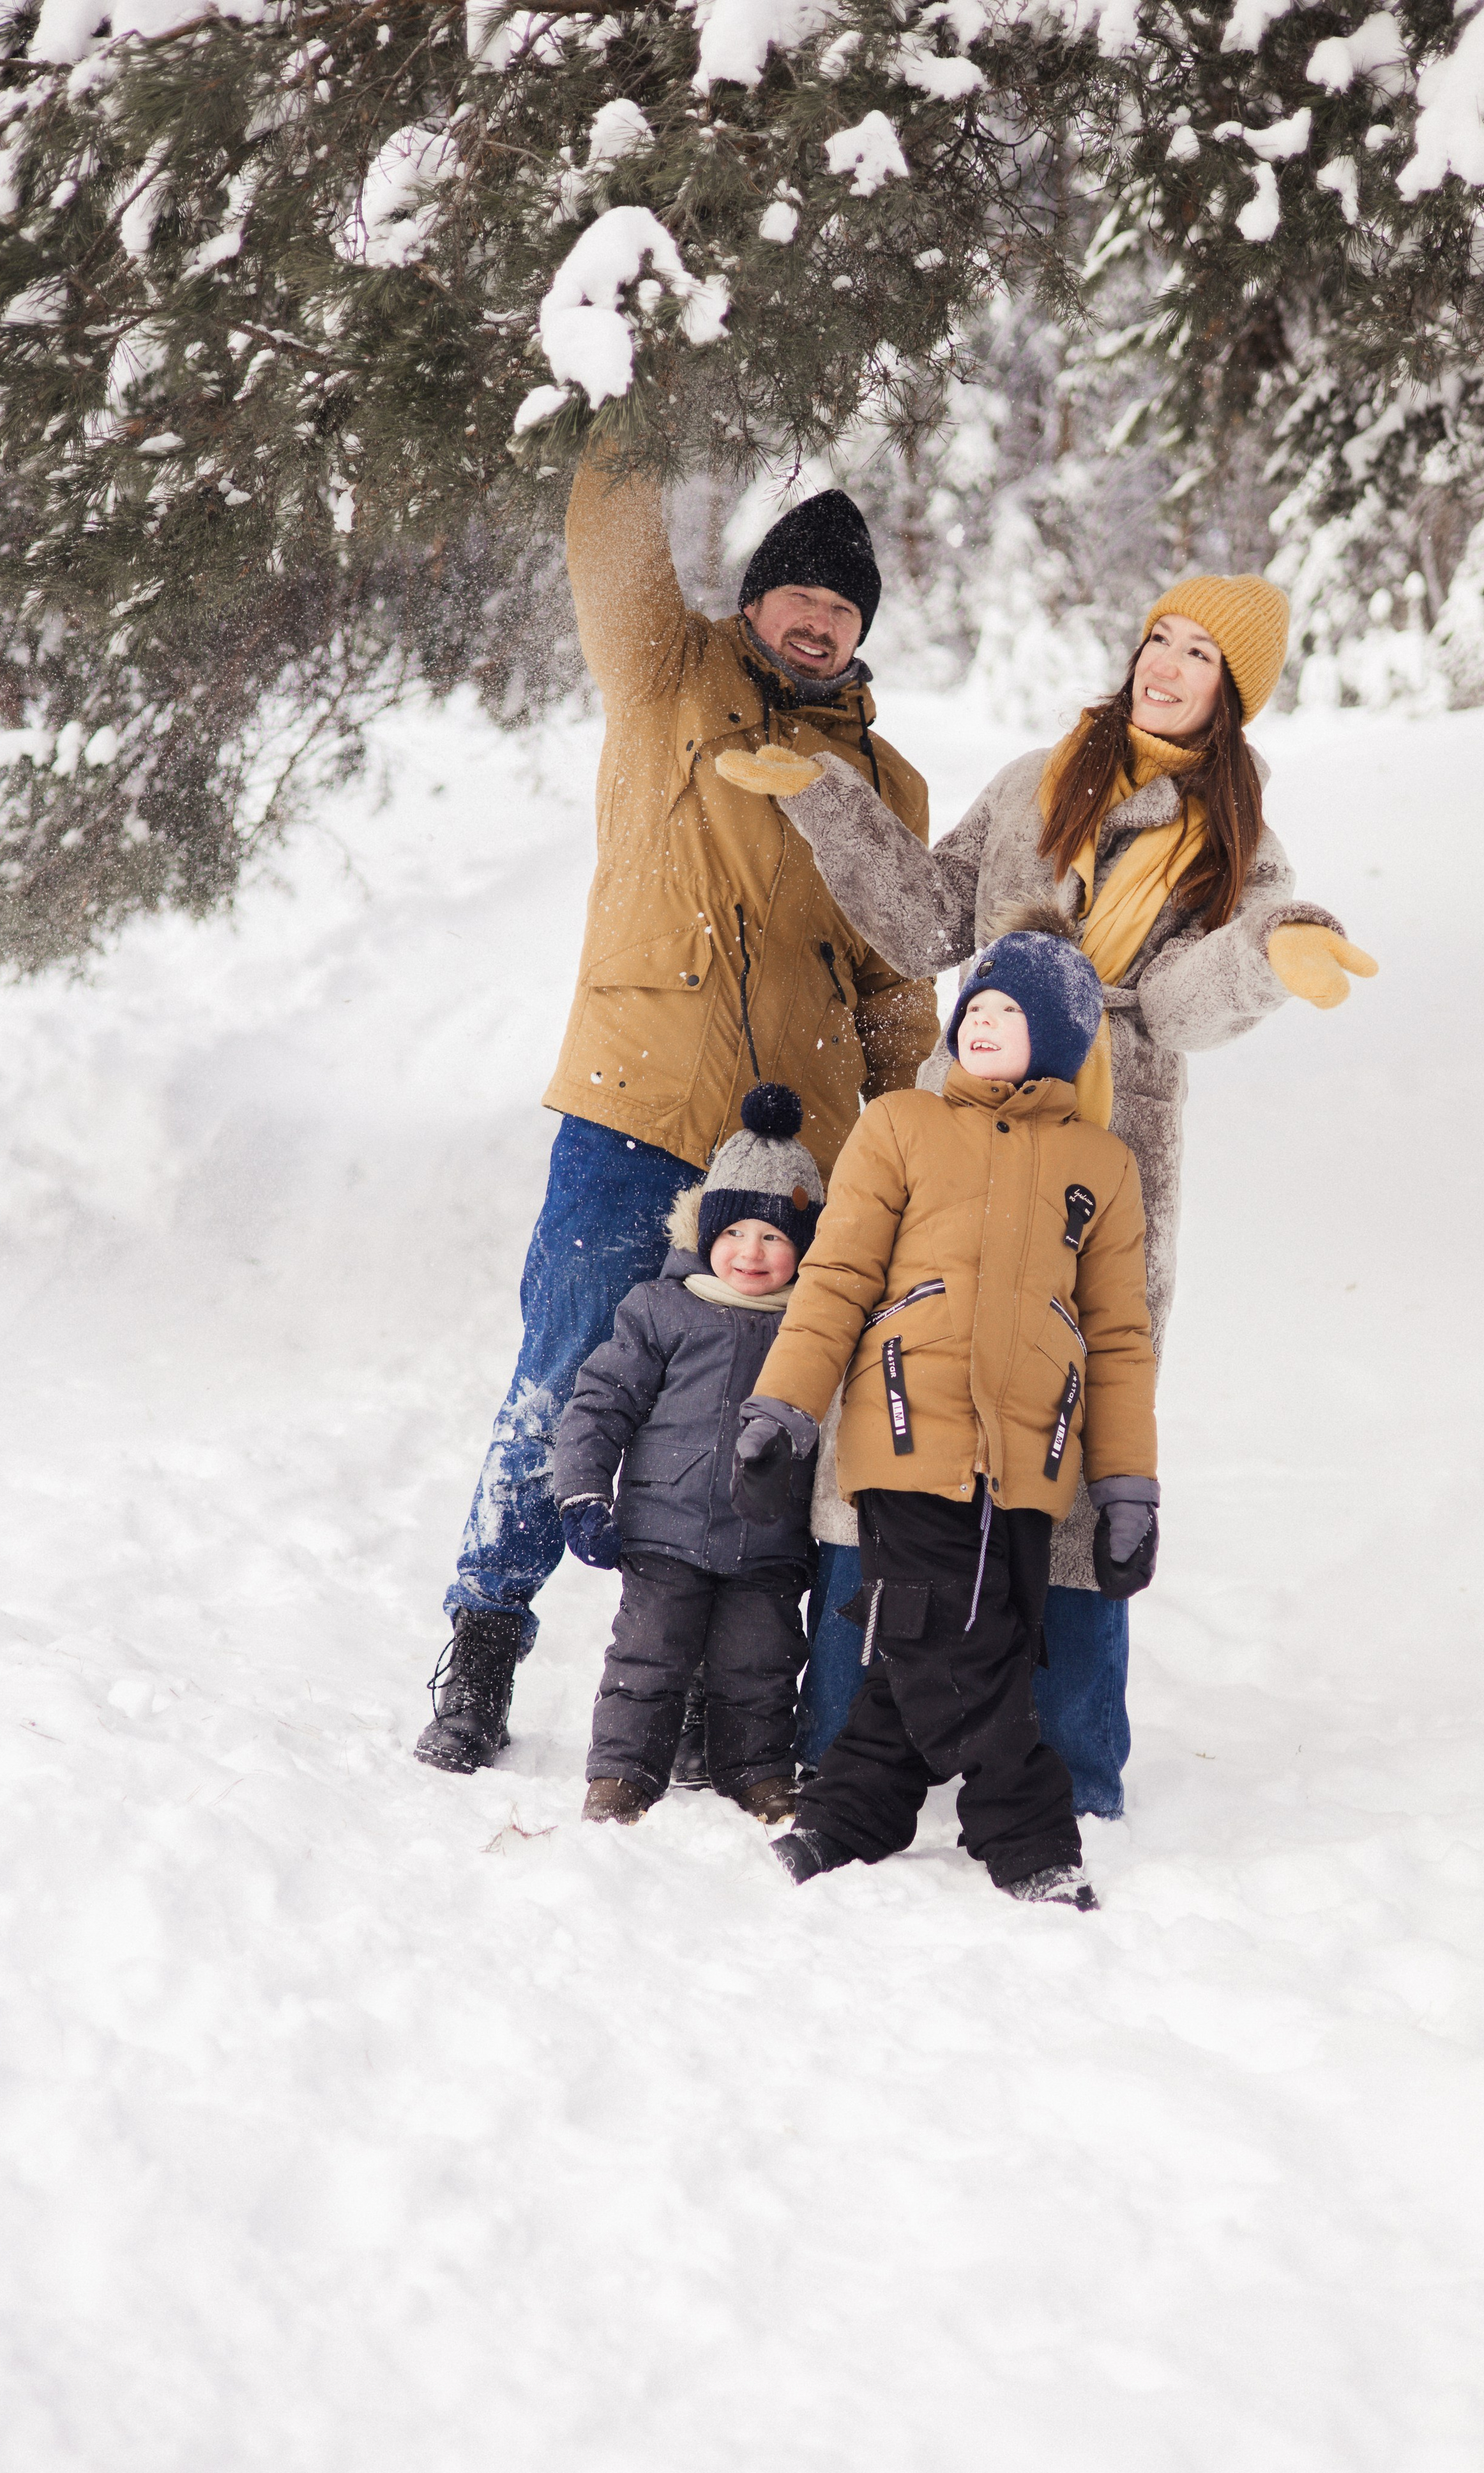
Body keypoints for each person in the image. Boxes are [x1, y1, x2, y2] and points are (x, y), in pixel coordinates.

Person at [716, 574, 1377, 1818]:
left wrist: (1266, 950)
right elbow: (923, 921)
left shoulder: (1235, 842)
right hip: (954, 1128)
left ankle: (1073, 1762)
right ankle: (839, 1734)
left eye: (1198, 656)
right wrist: (829, 806)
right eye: (1158, 639)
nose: (1166, 666)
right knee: (896, 1401)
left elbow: (1177, 1005)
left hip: (1106, 1148)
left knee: (1073, 1439)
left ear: (1232, 692)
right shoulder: (1035, 779)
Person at [414, 456, 939, 1773]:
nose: (817, 622)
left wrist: (902, 1141)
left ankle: (725, 1684)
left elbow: (891, 988)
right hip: (637, 1103)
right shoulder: (669, 679)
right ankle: (483, 1637)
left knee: (762, 1413)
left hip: (794, 1154)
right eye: (797, 597)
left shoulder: (886, 779)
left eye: (842, 609)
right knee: (568, 1367)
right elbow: (613, 554)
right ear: (754, 600)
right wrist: (622, 411)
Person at [730, 925, 1158, 1908]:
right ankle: (1028, 1835)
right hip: (908, 1424)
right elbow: (836, 1275)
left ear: (1058, 1040)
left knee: (954, 1637)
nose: (984, 1025)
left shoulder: (1104, 1166)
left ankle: (850, 1815)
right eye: (977, 1009)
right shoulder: (901, 1126)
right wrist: (784, 1406)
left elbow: (1120, 1337)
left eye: (1011, 1014)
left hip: (1032, 1453)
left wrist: (1129, 1488)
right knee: (954, 1627)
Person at [553, 1086, 822, 1827]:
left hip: (768, 1538)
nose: (752, 1252)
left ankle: (758, 1771)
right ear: (704, 1232)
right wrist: (582, 1493)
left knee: (760, 1664)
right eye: (735, 1231)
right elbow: (602, 1401)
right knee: (648, 1656)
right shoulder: (660, 1308)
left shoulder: (814, 1330)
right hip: (663, 1528)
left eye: (774, 1236)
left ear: (804, 1245)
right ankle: (621, 1775)